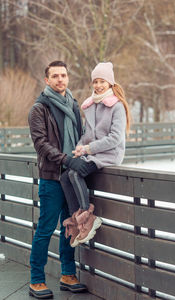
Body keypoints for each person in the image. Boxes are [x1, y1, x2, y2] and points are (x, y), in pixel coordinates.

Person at [28, 61, 87, 299]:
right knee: (45, 228)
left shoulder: (73, 104)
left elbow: (81, 136)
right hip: (52, 178)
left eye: (63, 75)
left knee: (69, 226)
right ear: (47, 80)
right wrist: (66, 159)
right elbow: (41, 144)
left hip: (71, 178)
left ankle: (68, 274)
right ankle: (36, 279)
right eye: (55, 76)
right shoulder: (39, 109)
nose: (60, 79)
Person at [60, 62, 131, 248]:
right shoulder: (90, 105)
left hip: (108, 154)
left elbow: (115, 138)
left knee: (75, 173)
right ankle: (77, 219)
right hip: (90, 153)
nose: (98, 85)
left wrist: (88, 149)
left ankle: (87, 217)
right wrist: (79, 148)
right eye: (95, 81)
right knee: (65, 176)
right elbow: (86, 134)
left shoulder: (117, 106)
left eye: (102, 81)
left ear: (110, 83)